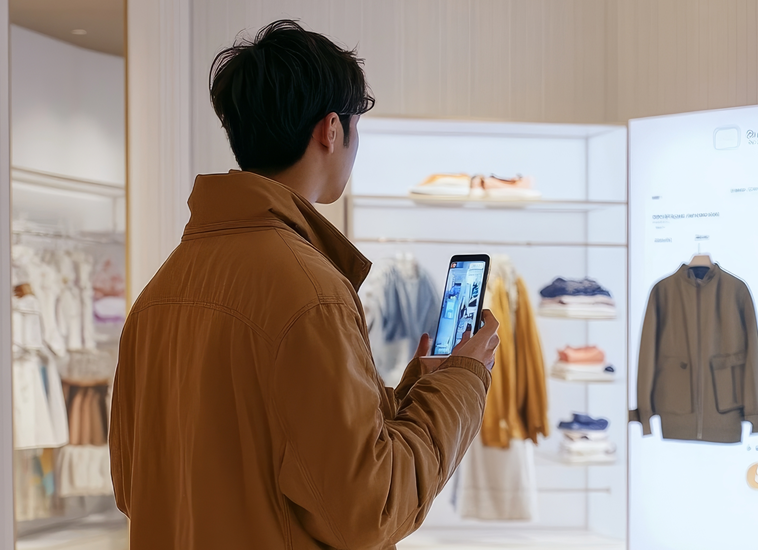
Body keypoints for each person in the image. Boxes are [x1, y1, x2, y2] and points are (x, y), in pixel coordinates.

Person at [109, 20, 498, 550]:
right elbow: (370, 509)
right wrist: (462, 383)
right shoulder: (310, 293)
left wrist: (415, 392)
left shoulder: (160, 291)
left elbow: (139, 488)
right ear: (331, 130)